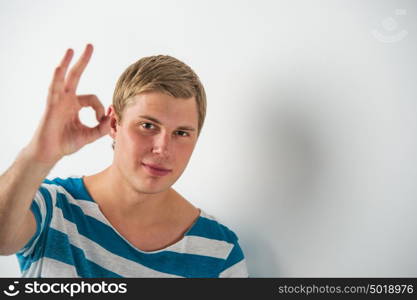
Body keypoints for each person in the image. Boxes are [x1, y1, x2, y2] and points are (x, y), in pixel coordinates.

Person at [0, 44, 248, 278]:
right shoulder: (53, 207)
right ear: (115, 124)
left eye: (181, 133)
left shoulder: (220, 253)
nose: (162, 148)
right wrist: (38, 155)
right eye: (148, 125)